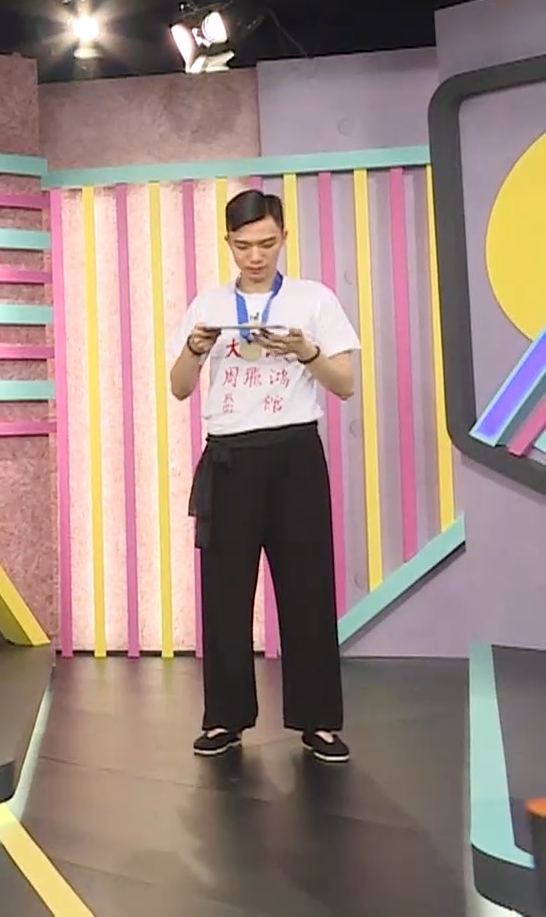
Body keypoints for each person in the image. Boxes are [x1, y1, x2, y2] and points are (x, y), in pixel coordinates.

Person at [169, 189, 360, 763]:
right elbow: (179, 387)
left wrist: (305, 351)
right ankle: (224, 719)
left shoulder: (314, 299)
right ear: (228, 243)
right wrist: (196, 348)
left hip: (295, 453)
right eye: (244, 245)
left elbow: (345, 385)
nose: (256, 256)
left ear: (284, 238)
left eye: (267, 243)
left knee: (307, 587)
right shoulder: (207, 304)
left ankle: (318, 721)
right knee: (225, 592)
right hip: (229, 456)